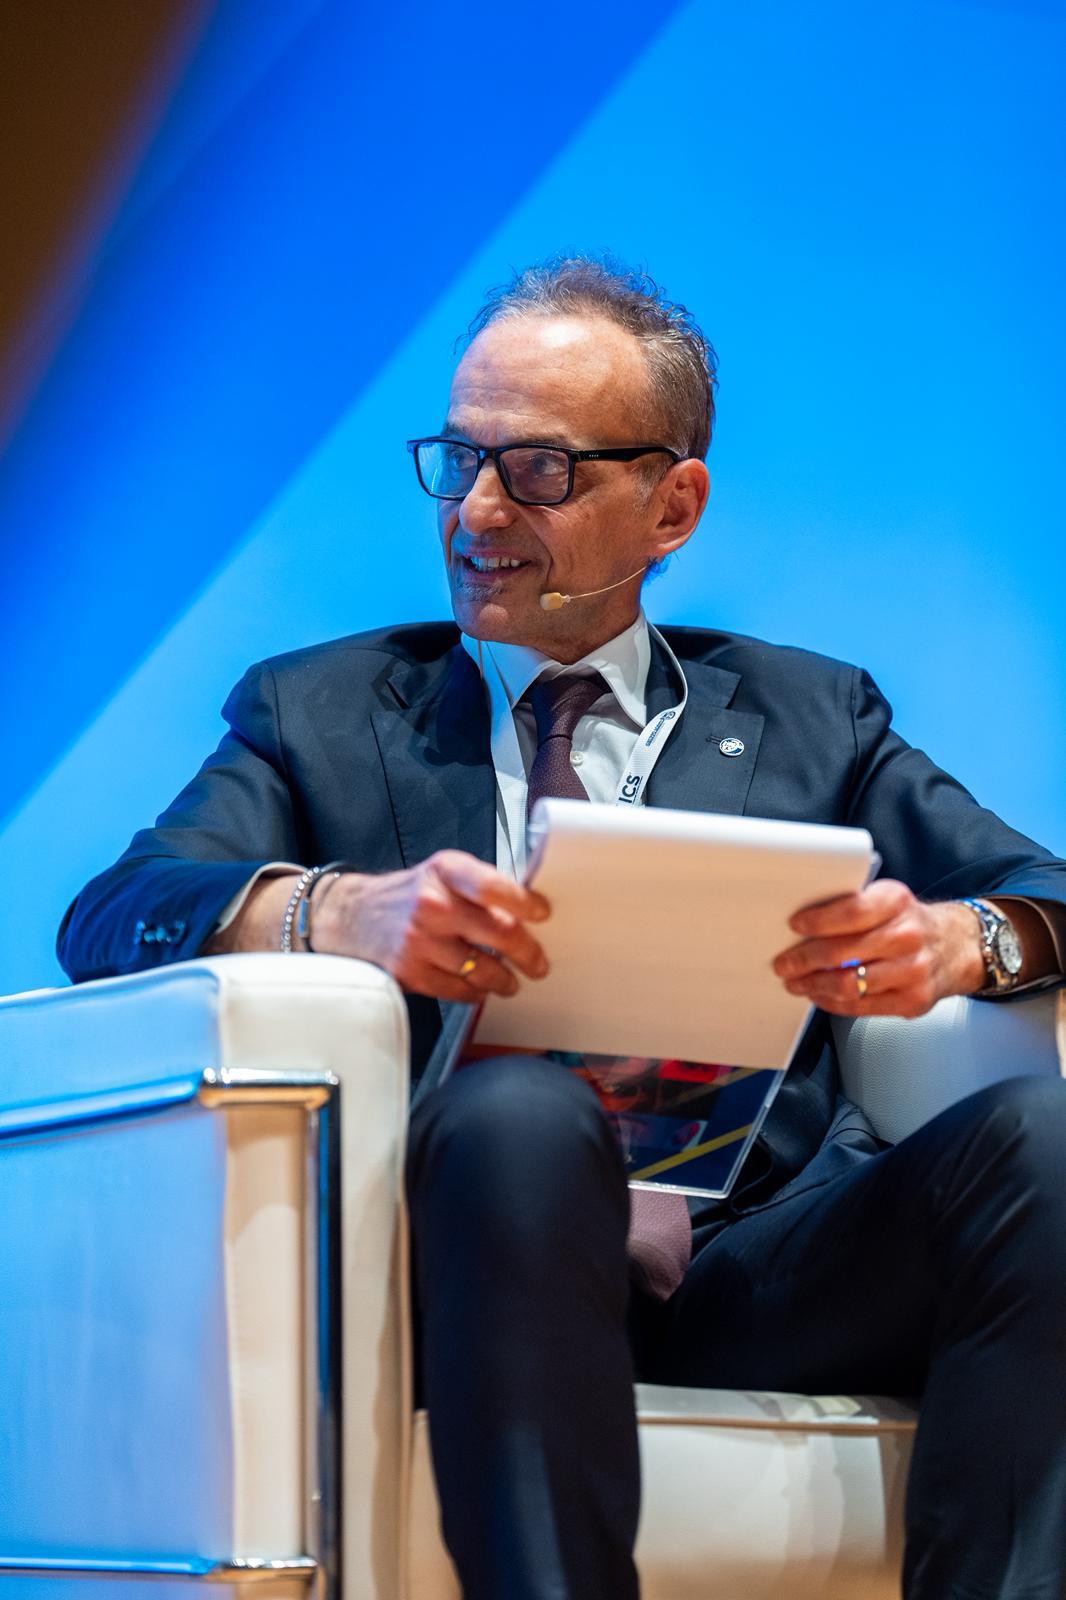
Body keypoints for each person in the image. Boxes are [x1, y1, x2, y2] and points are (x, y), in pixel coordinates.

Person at [59, 256, 1066, 1600]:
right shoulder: (318, 712)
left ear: (672, 505)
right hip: (473, 1259)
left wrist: (961, 945)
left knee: (1040, 1137)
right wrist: (332, 909)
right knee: (526, 1112)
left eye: (538, 470)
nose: (477, 511)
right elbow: (113, 911)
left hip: (753, 1262)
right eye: (459, 460)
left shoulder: (813, 716)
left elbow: (1043, 889)